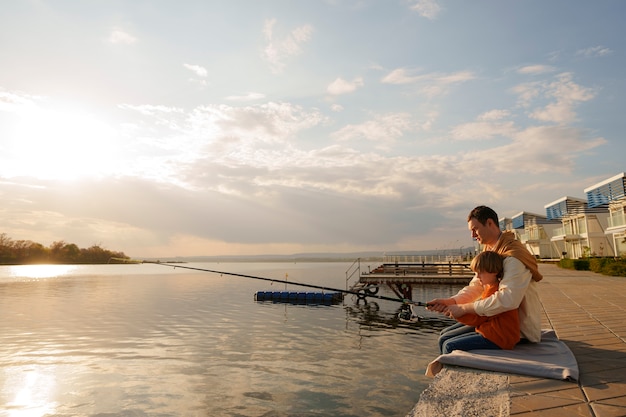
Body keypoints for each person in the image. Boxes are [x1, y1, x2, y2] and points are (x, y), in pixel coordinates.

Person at [428, 206, 543, 348]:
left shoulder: (513, 257)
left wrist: (463, 309)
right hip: (494, 320)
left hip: (517, 331)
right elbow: (477, 286)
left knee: (448, 342)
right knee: (445, 334)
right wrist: (450, 302)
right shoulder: (491, 249)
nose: (472, 235)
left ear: (489, 223)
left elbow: (508, 299)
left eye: (475, 229)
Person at [439, 251, 520, 354]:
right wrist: (454, 308)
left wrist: (458, 313)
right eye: (475, 273)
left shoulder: (494, 291)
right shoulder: (489, 287)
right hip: (492, 334)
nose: (477, 277)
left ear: (494, 271)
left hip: (499, 339)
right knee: (446, 340)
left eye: (480, 273)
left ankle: (447, 367)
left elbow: (478, 318)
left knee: (449, 345)